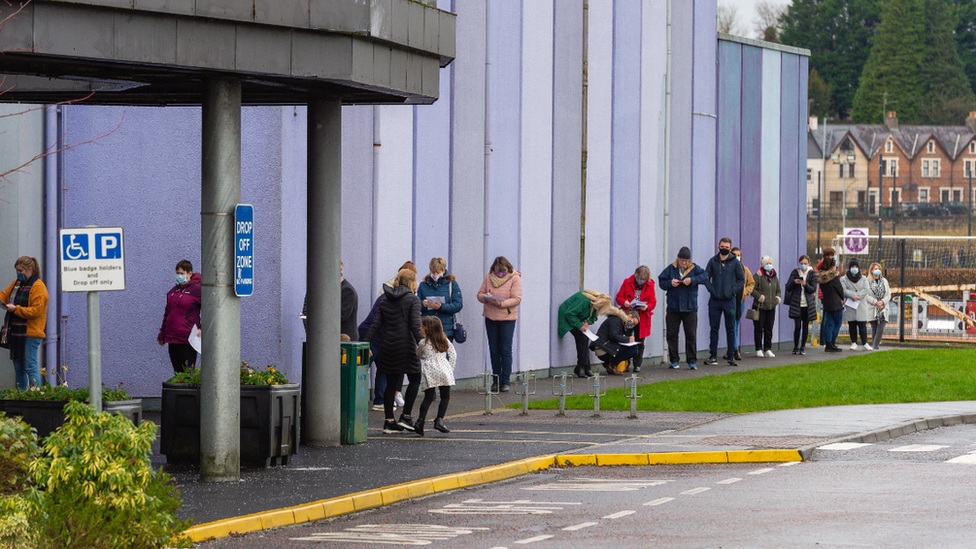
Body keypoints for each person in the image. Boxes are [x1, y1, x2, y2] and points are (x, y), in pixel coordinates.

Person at [364, 268, 423, 434]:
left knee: (390, 383)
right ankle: (406, 417)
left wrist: (366, 344)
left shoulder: (385, 299)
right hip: (406, 346)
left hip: (387, 346)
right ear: (412, 283)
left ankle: (389, 422)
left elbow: (375, 325)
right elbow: (414, 326)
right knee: (415, 379)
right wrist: (424, 345)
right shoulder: (413, 300)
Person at [1, 257, 48, 389]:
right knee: (19, 368)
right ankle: (20, 397)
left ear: (30, 269)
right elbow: (4, 295)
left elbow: (36, 311)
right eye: (16, 270)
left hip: (31, 334)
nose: (18, 273)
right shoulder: (17, 283)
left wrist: (16, 309)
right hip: (16, 333)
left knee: (30, 367)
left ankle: (35, 398)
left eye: (20, 270)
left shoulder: (38, 287)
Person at [658, 246, 708, 370]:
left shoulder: (695, 269)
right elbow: (661, 281)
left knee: (691, 335)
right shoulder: (670, 269)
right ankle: (674, 360)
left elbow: (705, 277)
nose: (683, 263)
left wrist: (692, 280)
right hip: (673, 308)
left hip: (690, 308)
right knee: (672, 335)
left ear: (689, 260)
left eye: (686, 261)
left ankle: (691, 361)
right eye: (681, 260)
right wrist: (670, 283)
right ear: (678, 259)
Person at [477, 256, 522, 392]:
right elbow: (479, 294)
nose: (499, 273)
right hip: (491, 317)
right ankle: (495, 380)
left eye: (502, 271)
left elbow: (517, 299)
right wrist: (485, 297)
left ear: (507, 268)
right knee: (494, 350)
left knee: (505, 349)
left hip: (507, 319)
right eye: (497, 271)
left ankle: (505, 381)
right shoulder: (488, 277)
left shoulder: (514, 278)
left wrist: (501, 304)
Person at [704, 237, 744, 366]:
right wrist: (712, 290)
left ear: (730, 249)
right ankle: (713, 355)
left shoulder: (735, 262)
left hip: (729, 301)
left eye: (727, 247)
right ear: (718, 247)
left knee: (730, 329)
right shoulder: (712, 261)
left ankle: (731, 356)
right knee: (714, 328)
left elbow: (741, 280)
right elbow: (705, 278)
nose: (724, 249)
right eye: (722, 246)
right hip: (715, 301)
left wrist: (732, 291)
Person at [414, 316, 456, 436]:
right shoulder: (444, 340)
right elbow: (453, 354)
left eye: (422, 327)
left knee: (428, 397)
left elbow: (419, 354)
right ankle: (439, 419)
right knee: (445, 396)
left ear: (428, 329)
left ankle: (420, 421)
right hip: (444, 369)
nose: (420, 328)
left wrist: (423, 356)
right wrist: (450, 369)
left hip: (430, 370)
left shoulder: (423, 342)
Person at [157, 259, 202, 374]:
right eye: (177, 273)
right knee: (178, 373)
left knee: (188, 373)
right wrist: (162, 334)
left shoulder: (196, 290)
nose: (179, 276)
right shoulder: (173, 292)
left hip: (187, 339)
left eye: (182, 273)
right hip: (173, 338)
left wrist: (202, 327)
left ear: (190, 273)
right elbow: (167, 313)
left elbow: (210, 309)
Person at [557, 290, 612, 378]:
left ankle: (584, 367)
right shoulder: (584, 300)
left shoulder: (595, 304)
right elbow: (569, 313)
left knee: (584, 338)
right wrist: (579, 325)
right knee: (582, 338)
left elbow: (594, 317)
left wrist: (587, 322)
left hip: (576, 318)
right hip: (567, 318)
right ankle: (582, 367)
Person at [615, 266, 657, 372]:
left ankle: (637, 364)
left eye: (643, 279)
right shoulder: (627, 282)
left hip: (642, 318)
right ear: (636, 275)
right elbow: (619, 297)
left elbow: (653, 302)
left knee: (639, 341)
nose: (641, 281)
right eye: (640, 278)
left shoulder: (650, 285)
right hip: (629, 317)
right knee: (627, 339)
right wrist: (624, 302)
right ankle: (626, 363)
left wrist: (646, 307)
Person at [303, 261, 358, 341]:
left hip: (344, 341)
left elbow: (341, 316)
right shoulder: (325, 289)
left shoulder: (347, 290)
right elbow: (306, 312)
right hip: (325, 340)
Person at [417, 257, 463, 341]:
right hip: (428, 328)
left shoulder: (451, 284)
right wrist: (423, 304)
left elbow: (458, 305)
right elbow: (415, 306)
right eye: (432, 272)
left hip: (445, 329)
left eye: (437, 272)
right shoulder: (423, 285)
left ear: (443, 271)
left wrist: (441, 307)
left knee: (445, 353)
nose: (434, 275)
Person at [785, 255, 817, 355]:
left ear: (809, 264)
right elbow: (788, 287)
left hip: (807, 304)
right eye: (801, 263)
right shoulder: (795, 272)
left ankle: (803, 346)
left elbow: (813, 288)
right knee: (797, 326)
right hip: (797, 303)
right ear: (799, 263)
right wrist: (795, 282)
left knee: (805, 326)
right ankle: (795, 346)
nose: (803, 265)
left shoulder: (812, 273)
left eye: (805, 263)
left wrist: (804, 284)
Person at [591, 308, 641, 374]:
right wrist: (628, 339)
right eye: (633, 323)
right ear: (630, 316)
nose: (633, 325)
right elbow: (613, 336)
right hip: (603, 348)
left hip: (605, 346)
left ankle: (609, 363)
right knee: (633, 349)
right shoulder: (616, 320)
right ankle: (612, 365)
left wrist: (628, 336)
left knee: (633, 349)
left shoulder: (620, 321)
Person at [751, 255, 781, 357]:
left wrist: (778, 297)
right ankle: (758, 348)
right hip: (760, 307)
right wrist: (759, 297)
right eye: (767, 263)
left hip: (771, 306)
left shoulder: (774, 276)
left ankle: (768, 348)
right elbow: (751, 288)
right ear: (763, 264)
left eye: (770, 263)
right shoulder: (757, 276)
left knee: (769, 328)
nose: (769, 265)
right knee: (759, 328)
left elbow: (778, 289)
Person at [729, 247, 754, 362]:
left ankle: (733, 349)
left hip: (740, 301)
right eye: (734, 254)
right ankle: (732, 350)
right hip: (729, 300)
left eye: (739, 255)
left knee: (735, 324)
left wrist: (745, 292)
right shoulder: (728, 268)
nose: (737, 257)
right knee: (731, 325)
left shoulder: (744, 269)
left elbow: (751, 283)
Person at [841, 258, 870, 351]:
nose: (854, 268)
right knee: (852, 324)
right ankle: (854, 342)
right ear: (849, 268)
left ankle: (865, 343)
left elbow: (866, 289)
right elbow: (843, 290)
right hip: (851, 304)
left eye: (856, 267)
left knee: (862, 324)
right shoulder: (843, 279)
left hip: (861, 304)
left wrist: (858, 296)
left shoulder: (864, 278)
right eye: (853, 267)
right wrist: (853, 295)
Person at [817, 256, 845, 352]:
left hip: (827, 303)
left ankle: (827, 343)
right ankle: (832, 343)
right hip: (836, 303)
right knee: (837, 324)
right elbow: (839, 289)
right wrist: (842, 298)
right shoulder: (834, 277)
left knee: (830, 324)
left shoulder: (822, 278)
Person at [865, 263, 891, 351]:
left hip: (883, 308)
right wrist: (876, 302)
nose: (877, 270)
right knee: (874, 329)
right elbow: (866, 295)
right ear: (871, 270)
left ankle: (874, 346)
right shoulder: (867, 281)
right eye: (875, 268)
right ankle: (875, 348)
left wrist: (882, 302)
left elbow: (888, 294)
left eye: (879, 268)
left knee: (881, 328)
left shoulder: (884, 281)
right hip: (872, 308)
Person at [816, 247, 837, 346]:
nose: (833, 257)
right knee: (826, 317)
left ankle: (824, 340)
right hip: (825, 293)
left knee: (826, 317)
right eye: (832, 256)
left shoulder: (826, 263)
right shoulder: (824, 264)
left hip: (825, 293)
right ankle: (824, 340)